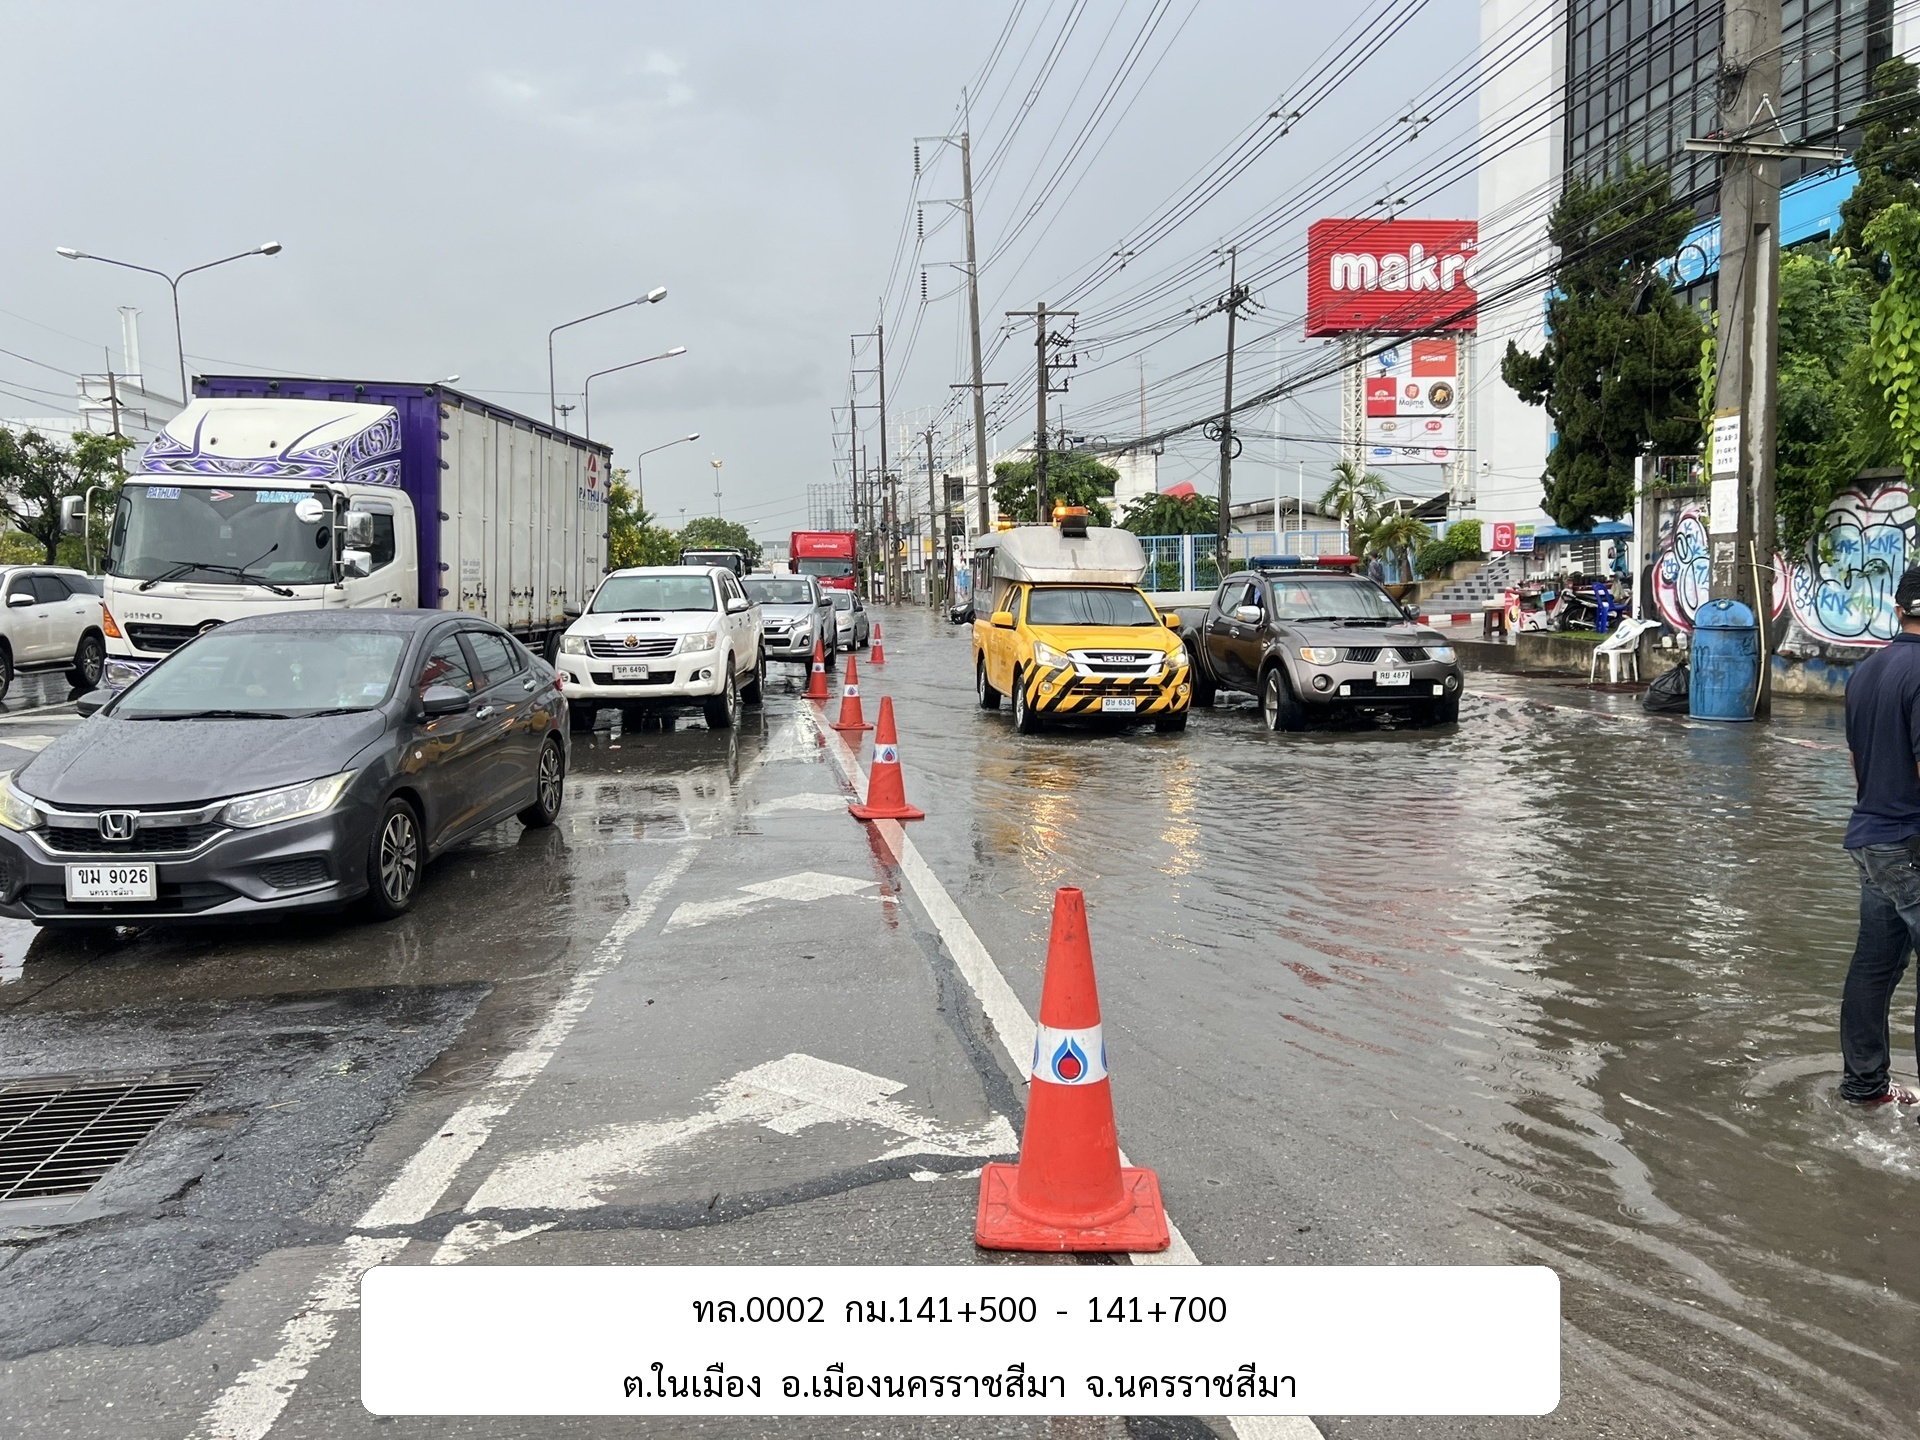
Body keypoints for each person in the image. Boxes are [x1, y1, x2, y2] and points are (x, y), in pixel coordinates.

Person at [1839, 565, 1920, 1109]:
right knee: (1876, 966)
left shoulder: (1866, 672)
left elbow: (1857, 763)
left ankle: (1864, 1088)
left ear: (1898, 611)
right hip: (1911, 842)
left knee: (1874, 966)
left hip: (1872, 838)